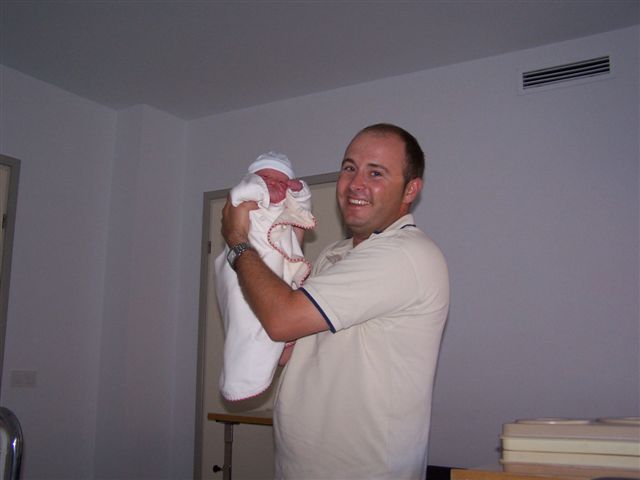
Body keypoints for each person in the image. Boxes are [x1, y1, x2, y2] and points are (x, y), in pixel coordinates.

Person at [220, 124, 450, 479]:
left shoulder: (406, 254)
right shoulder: (334, 253)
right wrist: (280, 252)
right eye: (349, 168)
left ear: (410, 189)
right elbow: (292, 346)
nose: (356, 183)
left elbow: (281, 319)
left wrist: (238, 240)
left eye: (376, 173)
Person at [214, 151, 315, 401]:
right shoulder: (246, 199)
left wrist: (298, 191)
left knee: (280, 312)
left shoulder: (284, 209)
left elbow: (303, 208)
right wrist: (263, 187)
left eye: (282, 182)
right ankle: (240, 377)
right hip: (245, 263)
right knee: (246, 318)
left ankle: (281, 350)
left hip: (275, 269)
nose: (275, 186)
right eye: (268, 179)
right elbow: (242, 191)